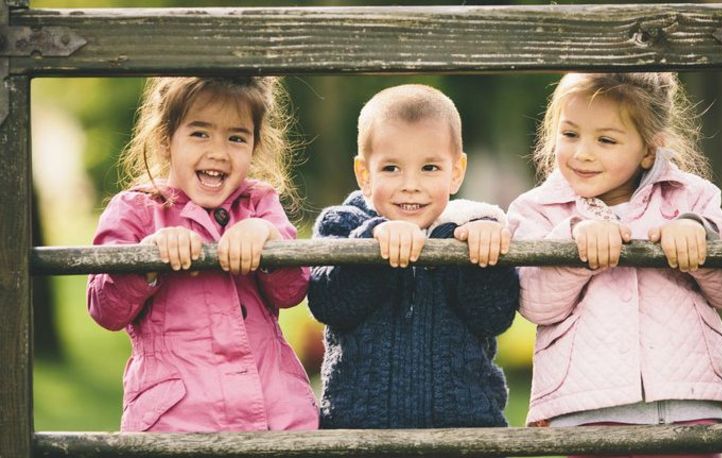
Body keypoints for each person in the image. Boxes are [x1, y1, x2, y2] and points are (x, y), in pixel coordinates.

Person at [507, 72, 722, 458]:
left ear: (648, 149)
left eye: (605, 140)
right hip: (588, 411)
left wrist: (700, 234)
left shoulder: (691, 197)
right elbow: (535, 302)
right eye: (570, 134)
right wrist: (574, 246)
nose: (582, 153)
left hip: (687, 406)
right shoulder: (538, 210)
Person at [87, 77, 318, 432]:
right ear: (166, 140)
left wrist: (266, 237)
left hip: (273, 412)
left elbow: (293, 290)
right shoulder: (136, 210)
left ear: (255, 147)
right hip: (178, 418)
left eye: (236, 137)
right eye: (200, 133)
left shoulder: (259, 204)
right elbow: (106, 309)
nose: (219, 152)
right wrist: (147, 261)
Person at [308, 84, 519, 429]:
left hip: (464, 432)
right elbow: (329, 304)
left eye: (430, 168)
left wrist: (483, 256)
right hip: (362, 432)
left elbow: (494, 316)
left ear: (456, 171)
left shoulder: (469, 230)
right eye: (391, 168)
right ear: (364, 174)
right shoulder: (343, 225)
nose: (410, 184)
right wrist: (372, 243)